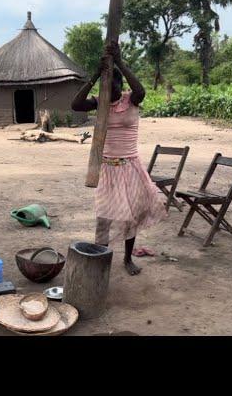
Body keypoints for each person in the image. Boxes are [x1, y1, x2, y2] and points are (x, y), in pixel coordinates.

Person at [71, 42, 167, 275]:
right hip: (107, 168)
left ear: (120, 84)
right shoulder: (99, 100)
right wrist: (95, 74)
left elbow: (141, 91)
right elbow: (75, 105)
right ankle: (101, 259)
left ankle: (127, 259)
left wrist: (120, 62)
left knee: (129, 218)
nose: (108, 87)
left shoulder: (130, 100)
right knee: (103, 217)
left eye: (112, 83)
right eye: (105, 83)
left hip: (130, 166)